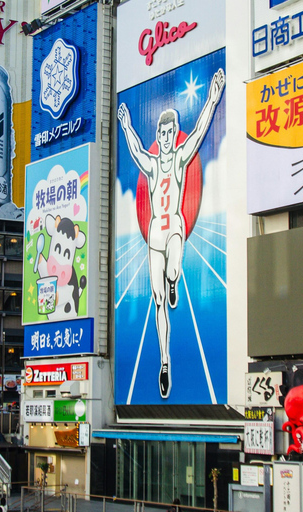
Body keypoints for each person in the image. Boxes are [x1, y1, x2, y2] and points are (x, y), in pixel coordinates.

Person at [117, 68, 226, 399]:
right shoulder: (151, 165)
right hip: (155, 234)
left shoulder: (179, 159)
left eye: (170, 131)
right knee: (158, 299)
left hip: (175, 225)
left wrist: (212, 97)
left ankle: (175, 278)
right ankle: (165, 362)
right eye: (161, 132)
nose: (165, 136)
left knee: (174, 270)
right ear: (158, 134)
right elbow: (135, 151)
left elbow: (201, 129)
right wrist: (126, 125)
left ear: (174, 132)